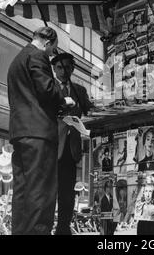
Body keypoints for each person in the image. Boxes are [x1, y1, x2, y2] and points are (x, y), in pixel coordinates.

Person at [7, 26, 75, 235]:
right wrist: (64, 100)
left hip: (20, 133)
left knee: (22, 191)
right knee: (41, 191)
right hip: (39, 133)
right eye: (52, 50)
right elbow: (46, 90)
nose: (51, 55)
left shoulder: (17, 59)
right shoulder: (37, 56)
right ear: (48, 43)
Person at [51, 52, 94, 235]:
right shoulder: (49, 87)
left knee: (67, 195)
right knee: (49, 192)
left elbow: (90, 111)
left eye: (67, 67)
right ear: (54, 69)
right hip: (52, 147)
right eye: (60, 67)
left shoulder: (79, 90)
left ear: (73, 69)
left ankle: (63, 229)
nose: (63, 71)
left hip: (71, 148)